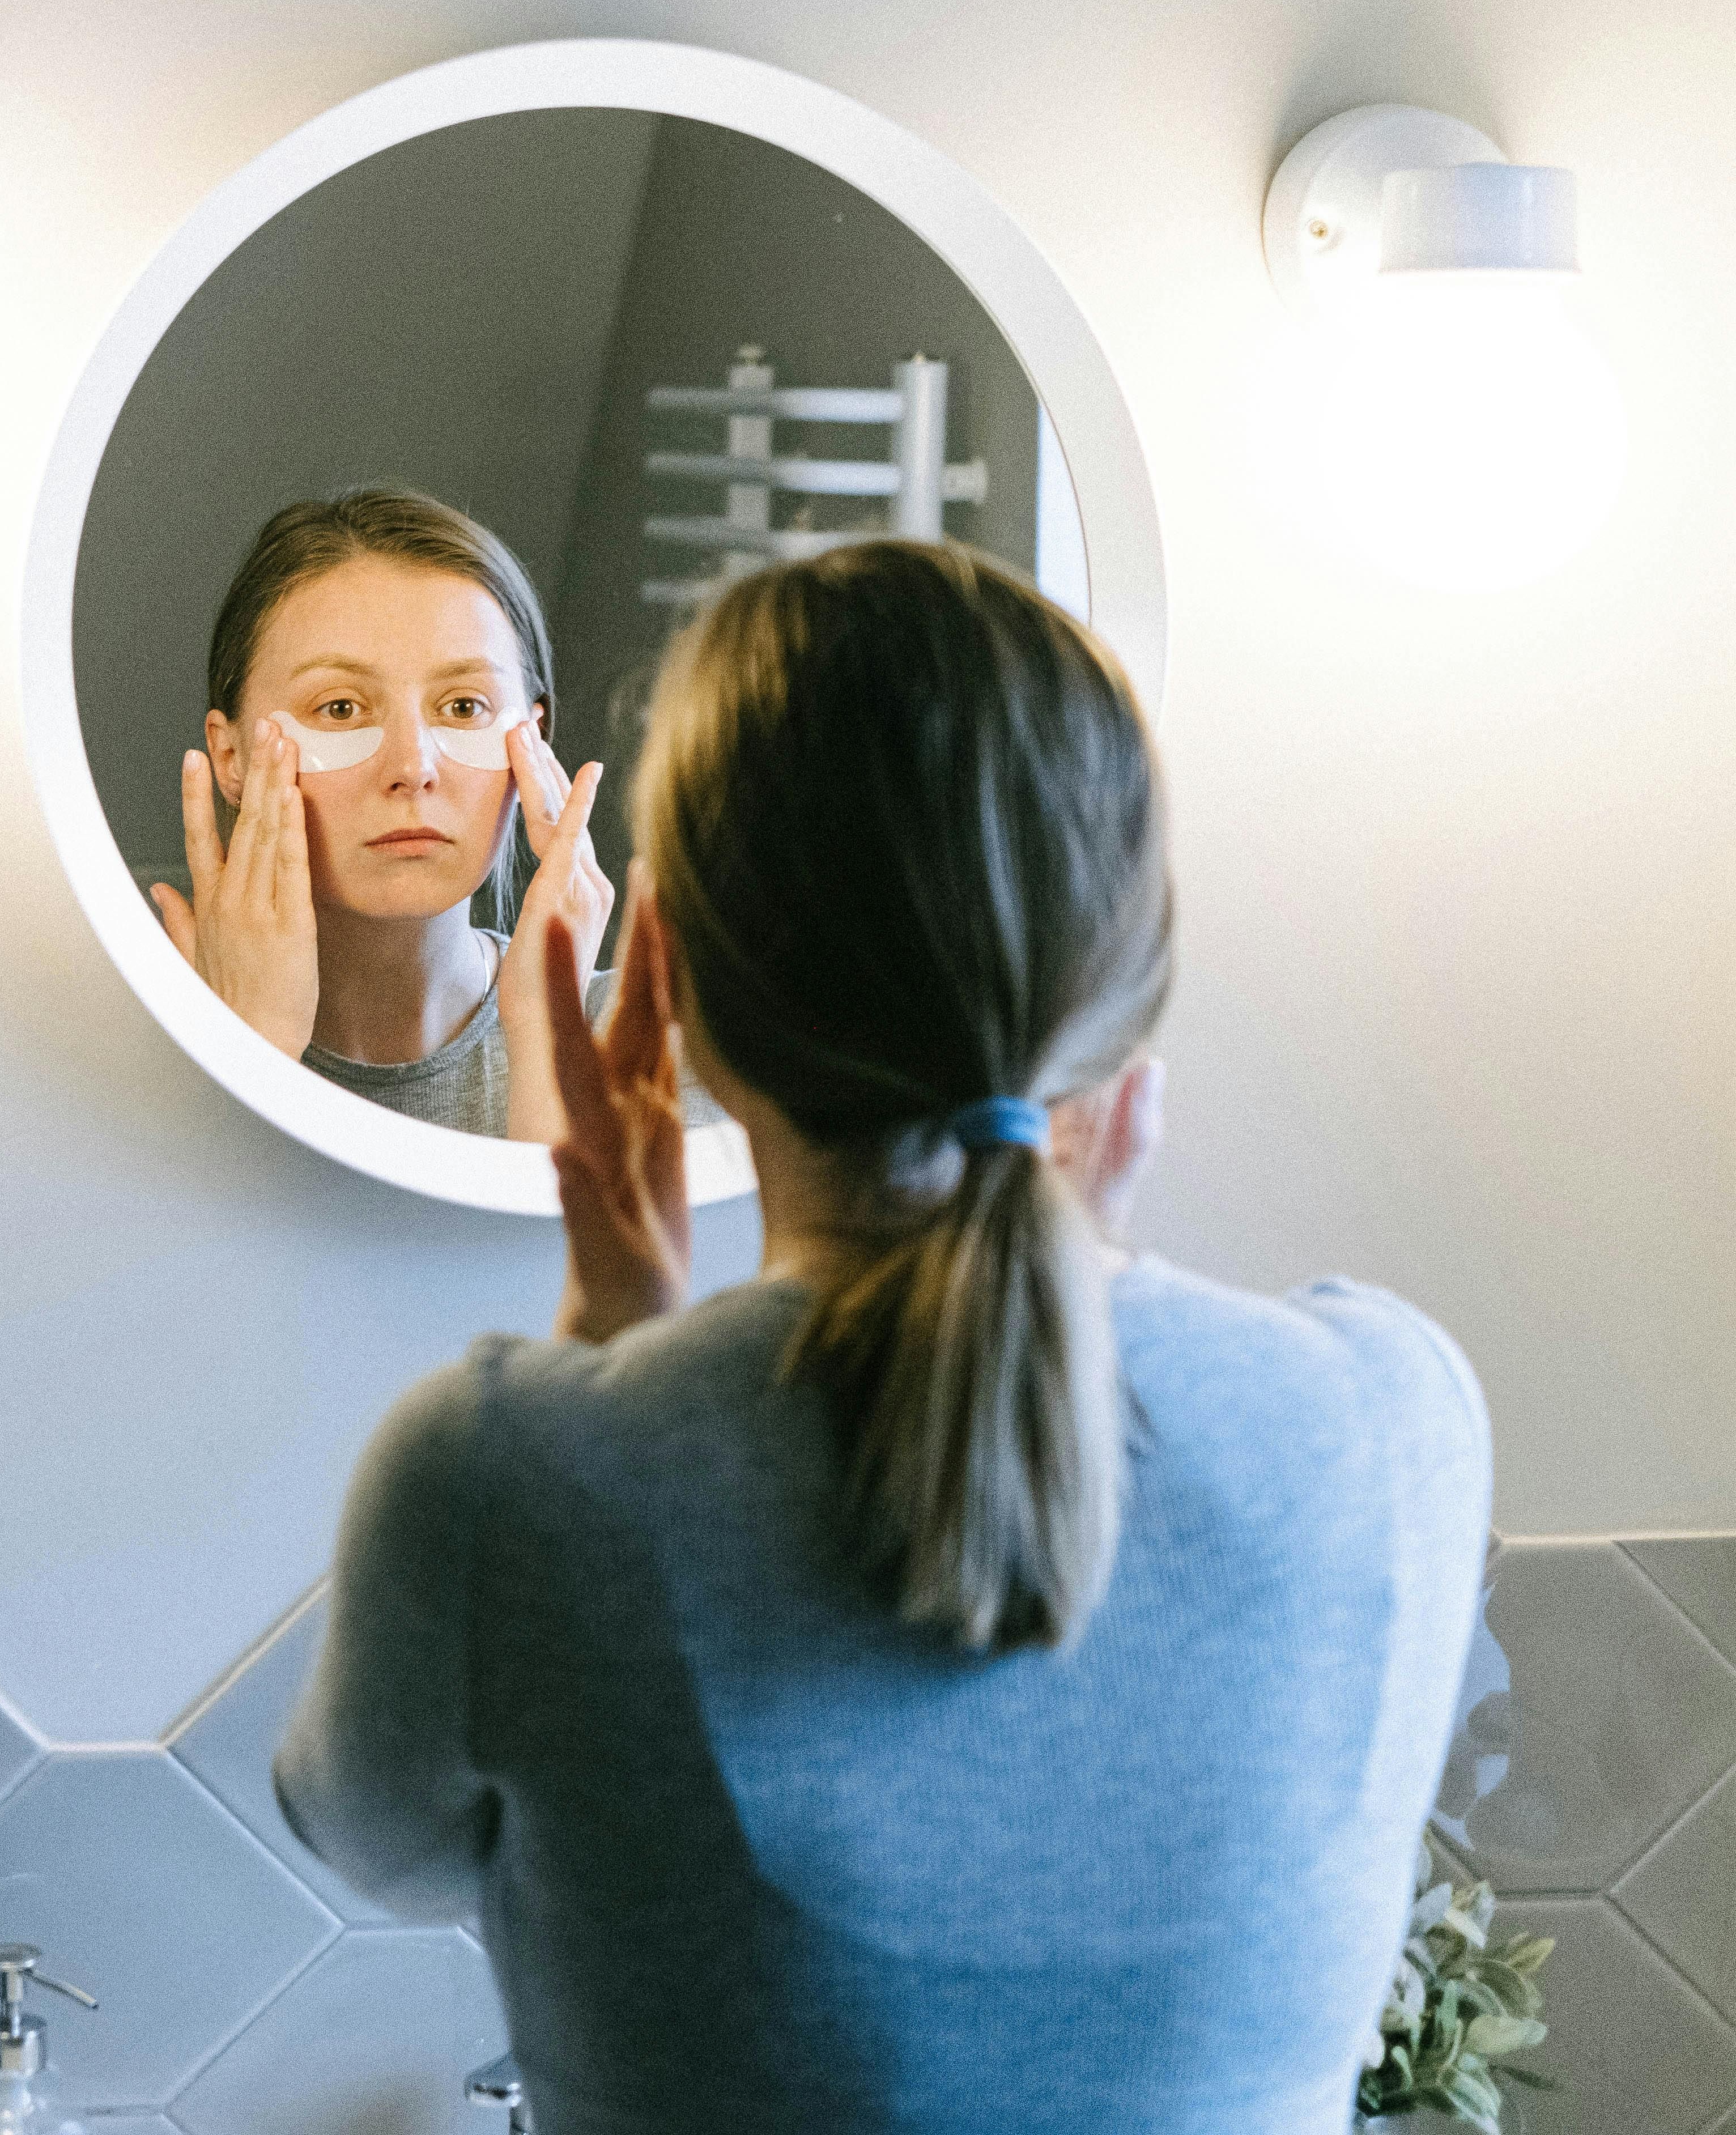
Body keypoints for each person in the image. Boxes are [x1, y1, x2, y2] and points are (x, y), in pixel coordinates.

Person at [271, 541, 1491, 2133]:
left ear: (677, 985)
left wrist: (604, 1347)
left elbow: (379, 1843)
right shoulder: (1393, 1419)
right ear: (1127, 976)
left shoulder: (510, 1483)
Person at [150, 489, 616, 1139]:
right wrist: (245, 1055)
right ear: (230, 755)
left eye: (462, 707)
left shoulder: (659, 1039)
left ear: (533, 745)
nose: (412, 765)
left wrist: (549, 1041)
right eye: (340, 707)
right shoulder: (124, 1044)